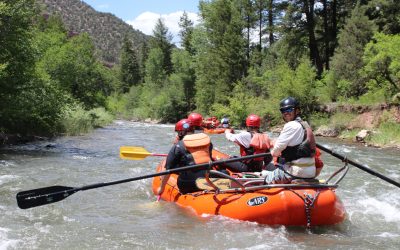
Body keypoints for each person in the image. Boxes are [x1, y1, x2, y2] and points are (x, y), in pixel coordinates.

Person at [262, 97, 318, 184]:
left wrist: (273, 148)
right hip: (310, 172)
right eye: (283, 110)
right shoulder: (305, 125)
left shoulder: (291, 125)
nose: (286, 112)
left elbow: (275, 152)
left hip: (295, 172)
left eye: (289, 109)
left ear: (297, 111)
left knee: (265, 180)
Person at [157, 119, 213, 195]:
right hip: (209, 178)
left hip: (188, 184)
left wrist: (161, 188)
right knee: (223, 172)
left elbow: (168, 170)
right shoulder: (207, 143)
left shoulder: (178, 146)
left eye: (178, 132)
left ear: (181, 133)